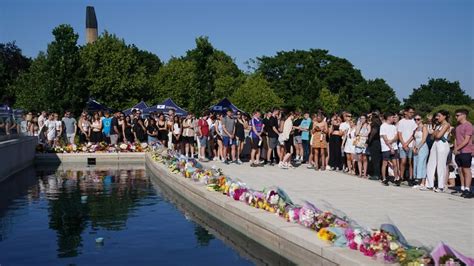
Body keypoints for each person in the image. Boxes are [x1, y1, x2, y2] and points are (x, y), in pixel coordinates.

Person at [425, 110, 451, 193]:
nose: (437, 118)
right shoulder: (438, 125)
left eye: (439, 116)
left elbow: (439, 135)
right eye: (437, 116)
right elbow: (432, 137)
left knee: (441, 165)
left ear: (444, 116)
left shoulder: (446, 124)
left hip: (442, 145)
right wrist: (436, 133)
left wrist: (435, 133)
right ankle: (429, 185)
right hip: (435, 144)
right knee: (430, 164)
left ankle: (441, 186)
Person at [453, 109, 473, 198]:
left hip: (466, 151)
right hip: (458, 152)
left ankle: (467, 189)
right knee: (460, 170)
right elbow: (456, 139)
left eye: (457, 115)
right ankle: (463, 187)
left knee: (466, 170)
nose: (456, 117)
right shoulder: (458, 127)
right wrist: (455, 148)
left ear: (464, 115)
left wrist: (457, 148)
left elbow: (467, 140)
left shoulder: (468, 125)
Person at [397, 106, 417, 185]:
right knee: (403, 161)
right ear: (405, 112)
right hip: (402, 145)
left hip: (411, 144)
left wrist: (407, 143)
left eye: (413, 112)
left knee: (411, 161)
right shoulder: (401, 122)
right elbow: (399, 134)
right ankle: (401, 177)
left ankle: (411, 177)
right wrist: (403, 144)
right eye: (410, 112)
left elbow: (414, 134)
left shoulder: (413, 122)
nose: (412, 114)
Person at [380, 112, 400, 186]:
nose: (394, 119)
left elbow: (396, 136)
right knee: (385, 163)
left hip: (394, 147)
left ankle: (396, 178)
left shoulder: (393, 127)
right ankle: (384, 179)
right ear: (388, 117)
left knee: (395, 163)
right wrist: (390, 147)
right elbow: (385, 138)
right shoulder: (383, 126)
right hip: (386, 148)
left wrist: (392, 141)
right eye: (392, 117)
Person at [412, 114, 429, 189]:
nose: (416, 121)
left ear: (421, 119)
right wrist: (413, 147)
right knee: (416, 163)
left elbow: (424, 139)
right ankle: (418, 181)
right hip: (416, 147)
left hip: (423, 147)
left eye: (418, 119)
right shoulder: (416, 129)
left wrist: (418, 147)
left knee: (421, 164)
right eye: (415, 119)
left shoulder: (424, 127)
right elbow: (414, 139)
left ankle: (422, 182)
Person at [368, 113, 382, 180]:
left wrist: (368, 141)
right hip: (378, 143)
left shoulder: (375, 125)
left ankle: (376, 174)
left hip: (374, 143)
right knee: (377, 160)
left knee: (375, 160)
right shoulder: (379, 124)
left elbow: (372, 134)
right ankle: (378, 174)